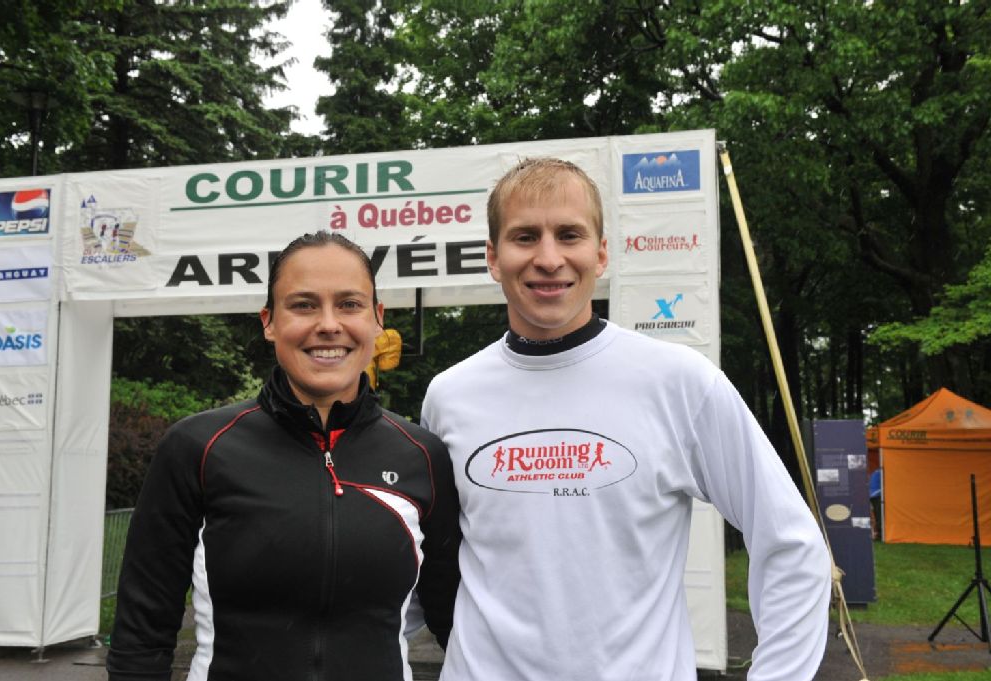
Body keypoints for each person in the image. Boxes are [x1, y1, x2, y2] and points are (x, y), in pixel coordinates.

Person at [421, 158, 830, 681]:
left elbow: (791, 544)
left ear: (601, 253)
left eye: (569, 235)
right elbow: (420, 561)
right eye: (525, 237)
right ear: (493, 258)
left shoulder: (679, 382)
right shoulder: (450, 396)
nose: (549, 258)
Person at [107, 231, 460, 681]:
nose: (328, 324)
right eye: (304, 305)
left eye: (349, 304)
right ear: (269, 322)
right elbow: (142, 632)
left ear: (377, 319)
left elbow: (456, 622)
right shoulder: (197, 447)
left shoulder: (422, 455)